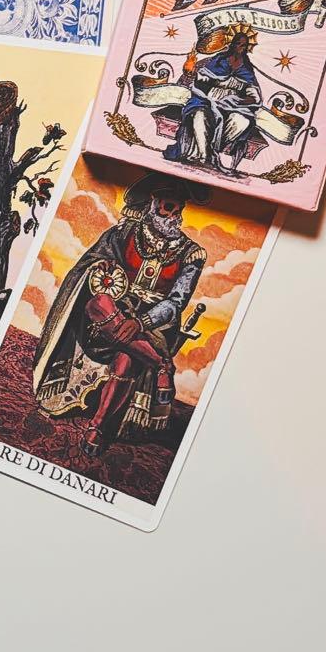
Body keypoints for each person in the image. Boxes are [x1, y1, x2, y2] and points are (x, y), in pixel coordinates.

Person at [32, 173, 208, 457]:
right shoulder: (123, 234)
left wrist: (141, 322)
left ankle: (98, 427)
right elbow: (92, 270)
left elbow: (176, 302)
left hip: (153, 325)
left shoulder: (192, 254)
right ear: (153, 204)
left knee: (126, 360)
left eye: (179, 210)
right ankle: (161, 364)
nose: (174, 216)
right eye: (168, 207)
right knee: (98, 303)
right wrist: (100, 272)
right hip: (109, 316)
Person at [163, 24, 262, 171]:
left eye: (244, 45)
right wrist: (192, 72)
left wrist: (240, 100)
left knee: (243, 121)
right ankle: (203, 155)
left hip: (232, 105)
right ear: (232, 44)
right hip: (208, 100)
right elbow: (202, 79)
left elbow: (253, 94)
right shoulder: (219, 60)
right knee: (199, 115)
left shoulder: (247, 69)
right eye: (238, 44)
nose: (240, 48)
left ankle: (214, 149)